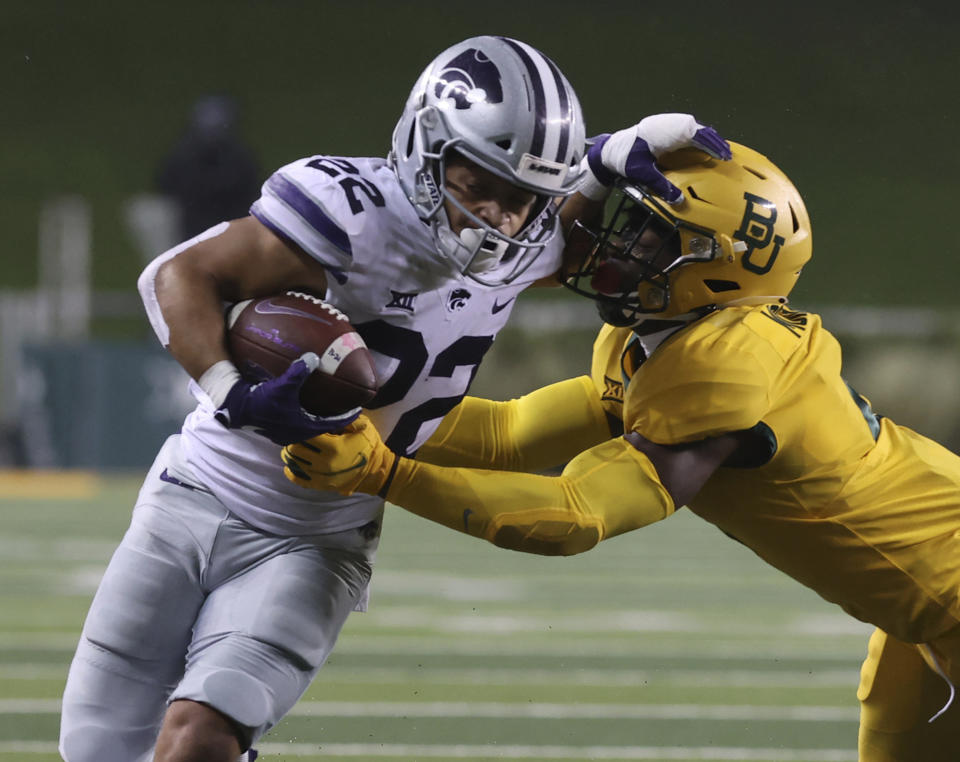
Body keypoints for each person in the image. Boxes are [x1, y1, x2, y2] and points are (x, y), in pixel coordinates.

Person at [58, 33, 727, 762]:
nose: (501, 220)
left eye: (522, 201)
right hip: (193, 490)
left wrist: (612, 153)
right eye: (480, 185)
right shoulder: (348, 214)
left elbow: (562, 203)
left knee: (201, 735)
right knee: (97, 749)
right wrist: (234, 394)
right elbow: (177, 275)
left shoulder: (528, 238)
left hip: (318, 536)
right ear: (425, 148)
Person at [282, 141, 960, 761]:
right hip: (922, 606)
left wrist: (384, 473)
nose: (619, 247)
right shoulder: (663, 339)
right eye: (633, 223)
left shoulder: (725, 366)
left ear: (720, 270)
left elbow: (574, 514)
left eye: (654, 237)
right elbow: (513, 432)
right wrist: (369, 416)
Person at [157, 94, 262, 241]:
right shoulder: (184, 155)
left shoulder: (238, 157)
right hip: (196, 229)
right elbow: (166, 185)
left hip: (229, 228)